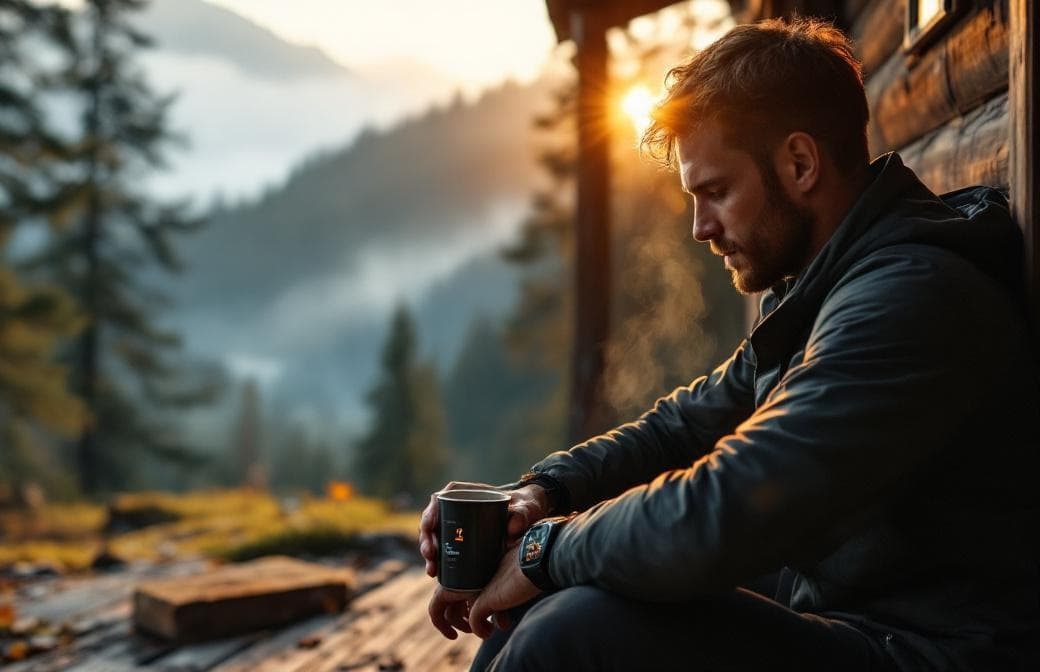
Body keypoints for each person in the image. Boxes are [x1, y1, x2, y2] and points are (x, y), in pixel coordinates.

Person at [418, 17, 1040, 672]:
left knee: (571, 628)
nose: (699, 227)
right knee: (548, 612)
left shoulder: (910, 299)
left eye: (715, 192)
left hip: (929, 654)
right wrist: (539, 494)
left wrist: (549, 552)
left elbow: (732, 505)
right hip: (856, 623)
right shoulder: (828, 288)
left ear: (799, 164)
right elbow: (678, 430)